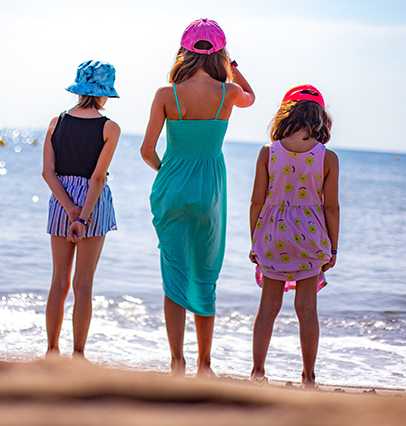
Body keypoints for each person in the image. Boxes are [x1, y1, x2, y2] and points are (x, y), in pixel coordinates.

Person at [140, 18, 255, 377]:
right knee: (204, 277)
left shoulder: (167, 94)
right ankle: (205, 365)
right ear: (220, 53)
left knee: (173, 277)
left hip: (171, 187)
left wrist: (171, 175)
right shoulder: (229, 93)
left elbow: (147, 151)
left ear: (184, 51)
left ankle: (177, 362)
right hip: (209, 191)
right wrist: (233, 68)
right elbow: (252, 97)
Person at [248, 84, 339, 388]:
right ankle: (308, 377)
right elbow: (332, 207)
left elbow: (257, 202)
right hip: (310, 235)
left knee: (268, 308)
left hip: (273, 234)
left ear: (285, 113)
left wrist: (255, 241)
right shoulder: (327, 157)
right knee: (307, 309)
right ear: (320, 117)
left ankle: (258, 372)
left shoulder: (268, 152)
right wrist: (334, 249)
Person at [42, 60, 121, 359]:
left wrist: (70, 209)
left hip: (60, 202)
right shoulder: (109, 128)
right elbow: (98, 178)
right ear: (104, 93)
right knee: (83, 283)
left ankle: (51, 350)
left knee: (58, 281)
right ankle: (78, 354)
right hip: (93, 203)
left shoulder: (55, 122)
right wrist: (84, 216)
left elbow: (48, 173)